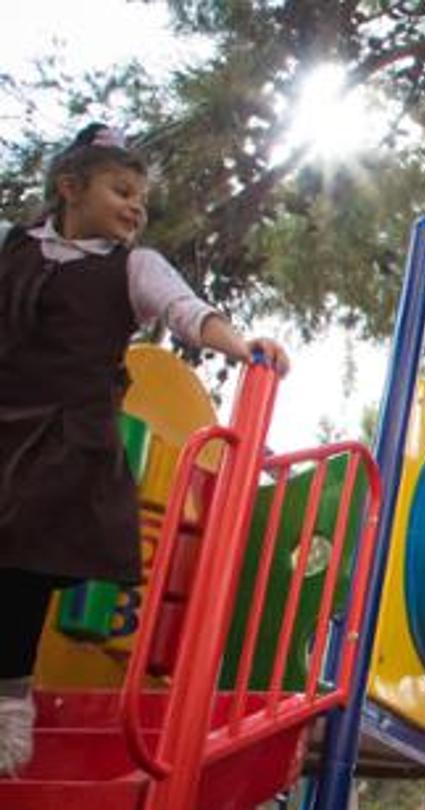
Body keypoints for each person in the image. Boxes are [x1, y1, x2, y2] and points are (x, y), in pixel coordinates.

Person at [0, 123, 291, 773]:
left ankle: (10, 708)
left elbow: (183, 311)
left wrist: (242, 346)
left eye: (142, 199)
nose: (136, 207)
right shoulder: (13, 248)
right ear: (69, 188)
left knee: (23, 565)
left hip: (67, 439)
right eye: (121, 190)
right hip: (5, 422)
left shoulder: (133, 266)